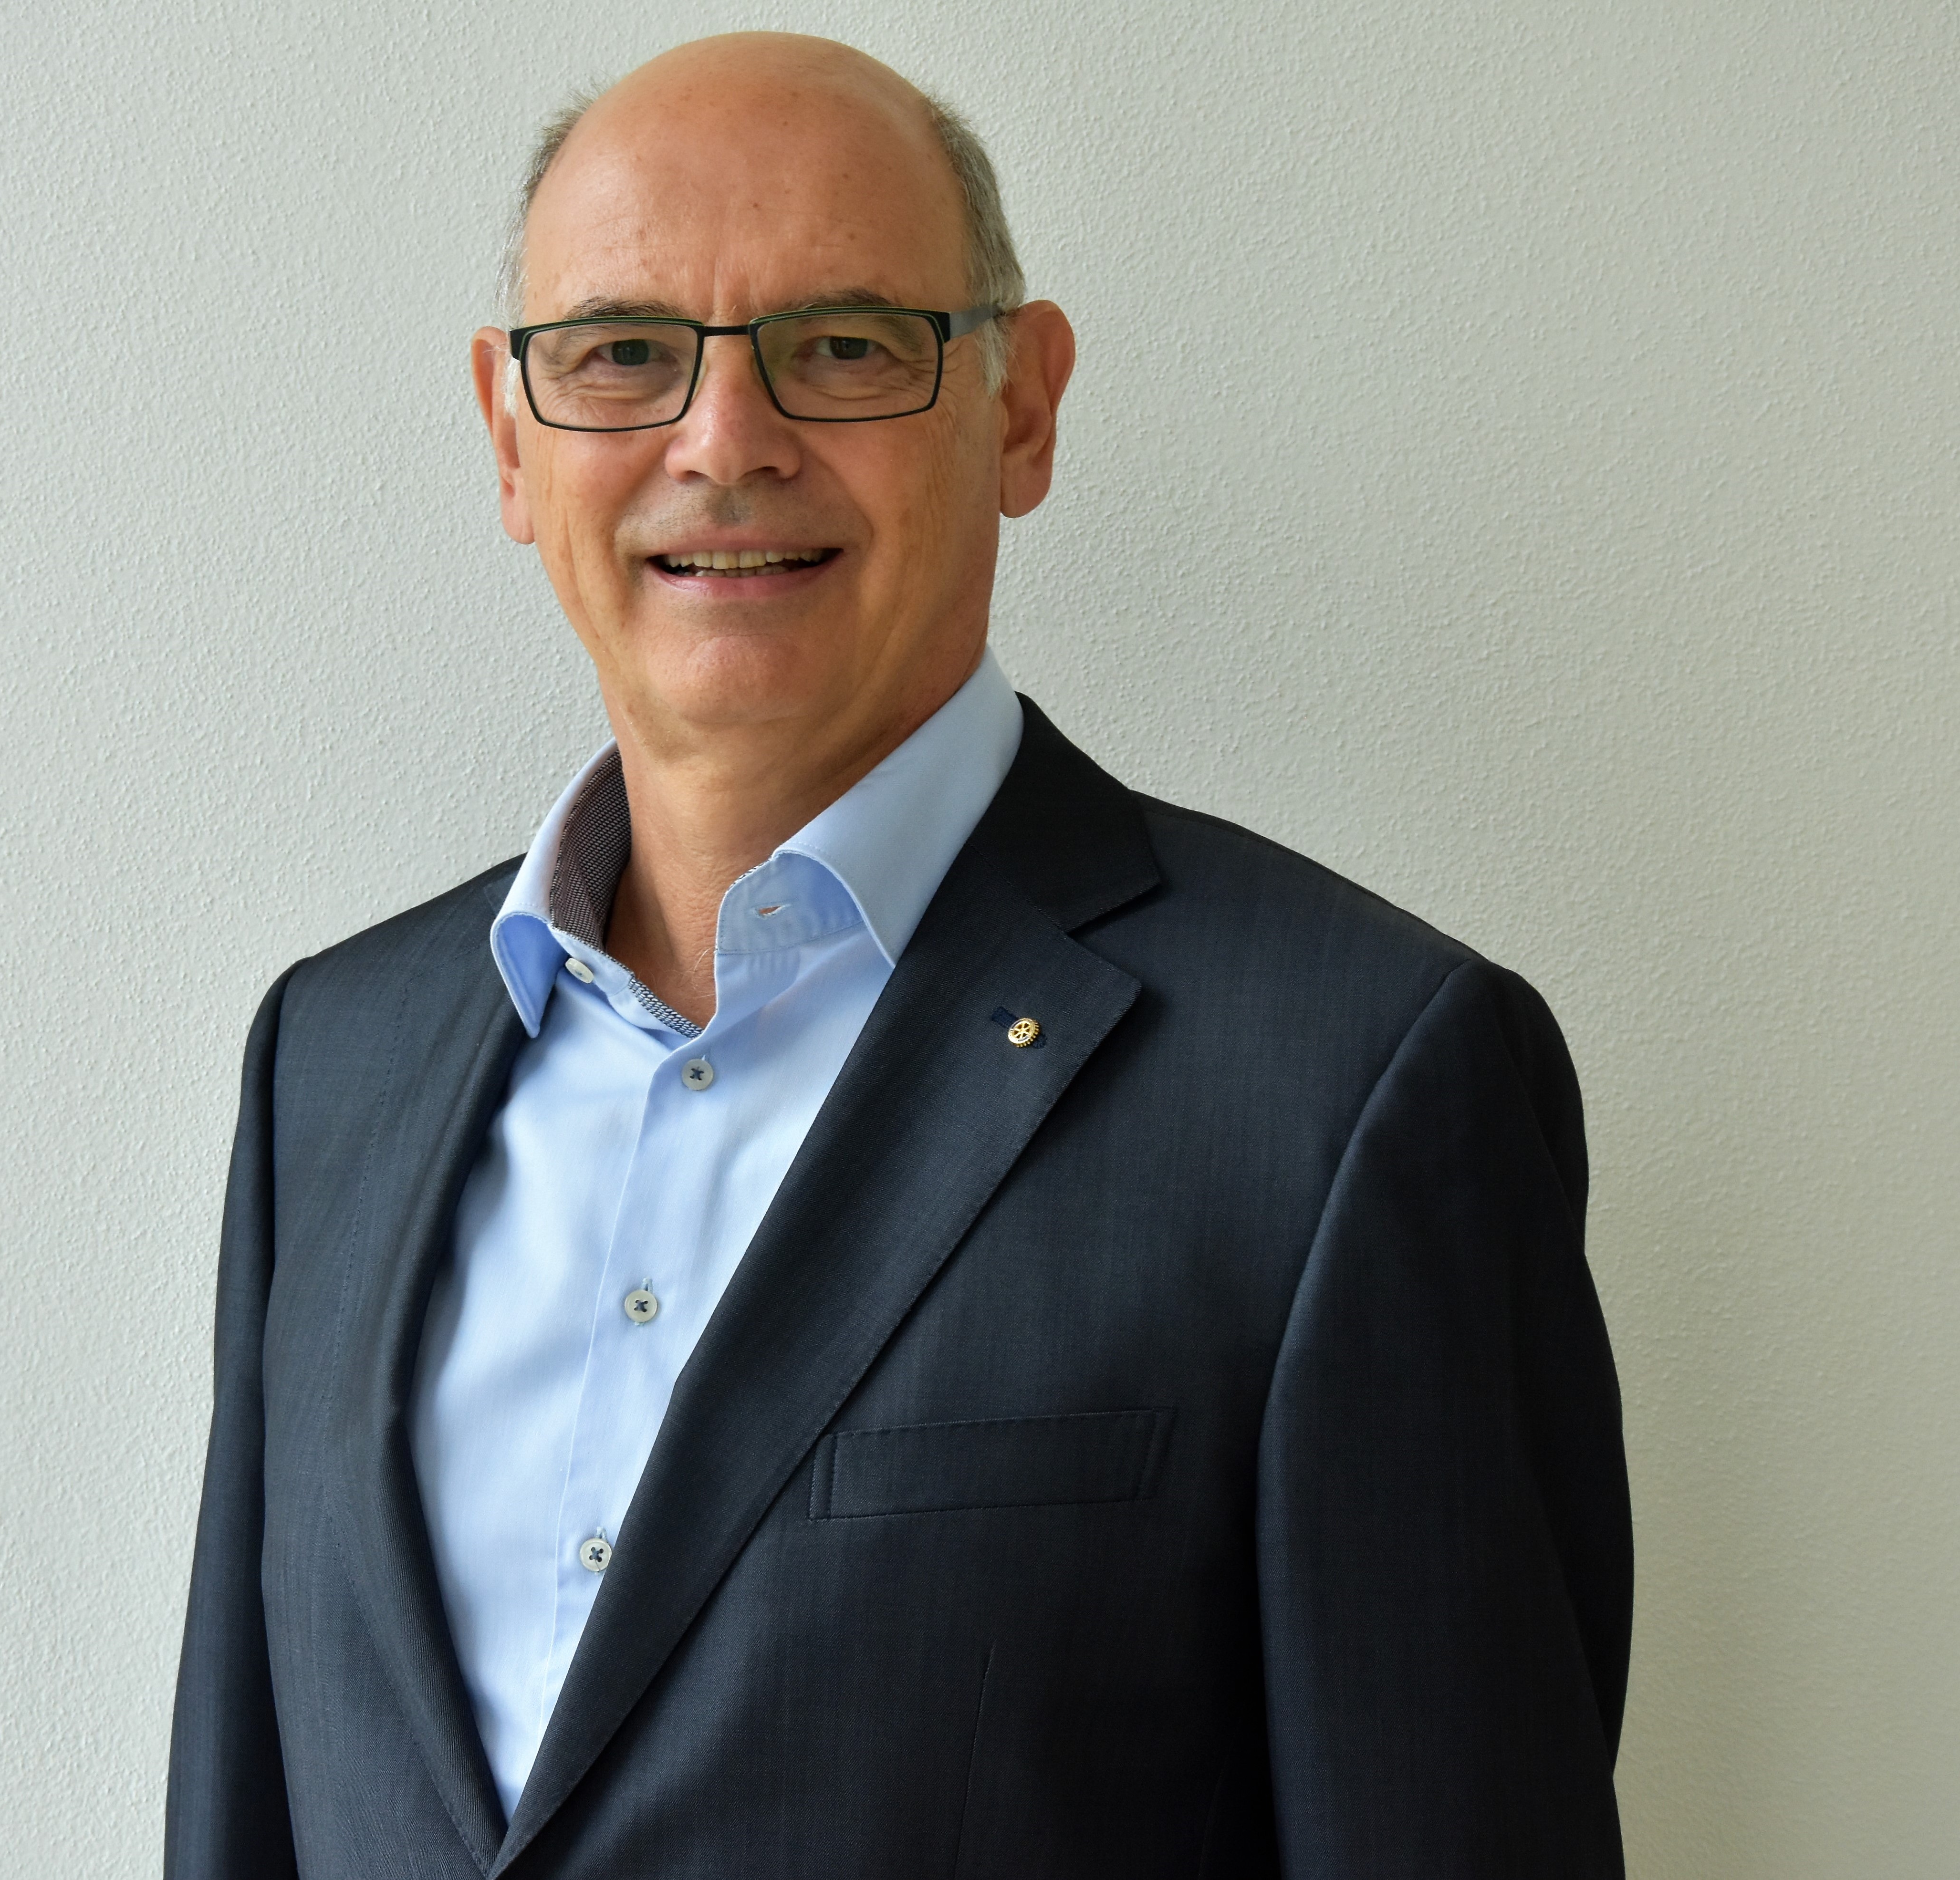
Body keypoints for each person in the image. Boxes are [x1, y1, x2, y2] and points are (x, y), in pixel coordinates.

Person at [166, 31, 1632, 1880]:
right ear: (510, 435)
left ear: (1020, 409)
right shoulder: (332, 1060)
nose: (723, 440)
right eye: (621, 354)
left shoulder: (1350, 1087)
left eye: (845, 345)